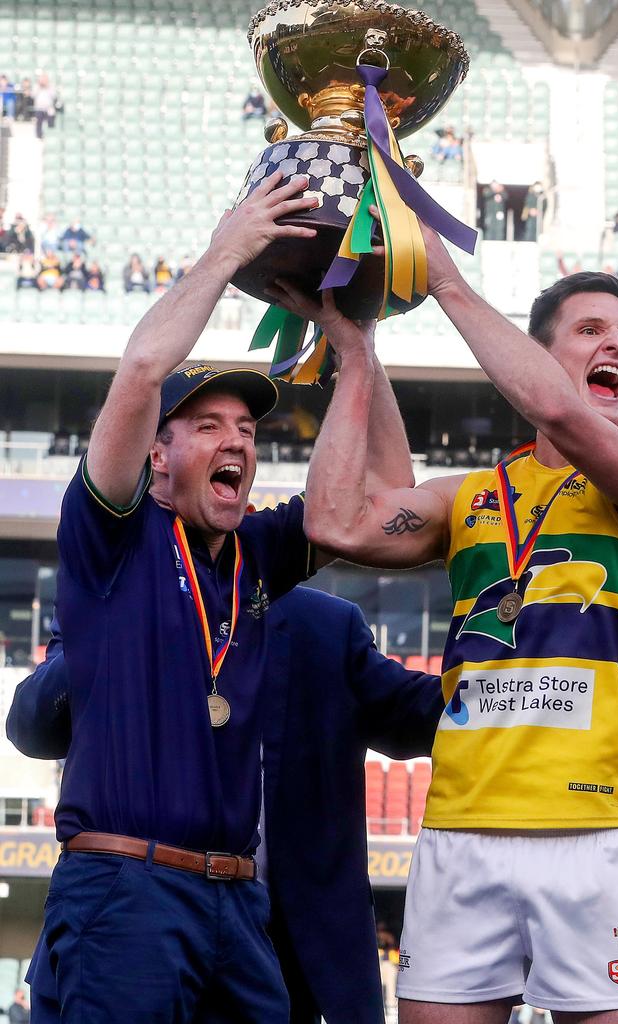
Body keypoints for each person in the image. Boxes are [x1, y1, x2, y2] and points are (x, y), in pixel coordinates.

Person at [270, 224, 618, 1021]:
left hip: (589, 835)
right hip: (461, 833)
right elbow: (335, 521)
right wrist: (355, 350)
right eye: (593, 330)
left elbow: (557, 413)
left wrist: (448, 283)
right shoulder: (471, 498)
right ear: (542, 352)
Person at [19, 170, 415, 1023]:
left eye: (246, 430)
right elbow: (142, 368)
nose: (236, 440)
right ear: (155, 457)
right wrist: (226, 250)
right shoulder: (111, 540)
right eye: (207, 426)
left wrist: (356, 354)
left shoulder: (256, 558)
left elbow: (385, 496)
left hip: (238, 908)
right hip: (127, 890)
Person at [8, 588, 444, 1024]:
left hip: (269, 954)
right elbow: (32, 725)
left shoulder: (324, 626)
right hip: (125, 939)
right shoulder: (107, 596)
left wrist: (502, 660)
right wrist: (123, 616)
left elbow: (431, 712)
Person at [32, 74, 57, 138]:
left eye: (45, 79)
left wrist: (47, 88)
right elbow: (33, 95)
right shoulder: (36, 86)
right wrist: (39, 88)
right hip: (39, 108)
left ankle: (50, 135)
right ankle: (39, 135)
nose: (43, 81)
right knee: (38, 122)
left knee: (51, 121)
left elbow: (54, 96)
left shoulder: (51, 86)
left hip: (49, 108)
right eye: (42, 79)